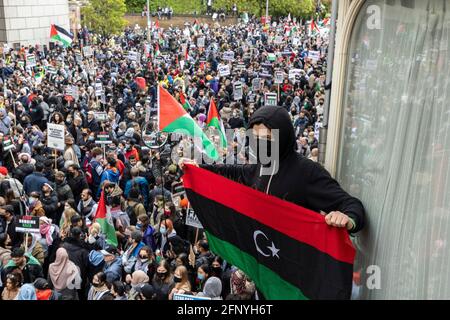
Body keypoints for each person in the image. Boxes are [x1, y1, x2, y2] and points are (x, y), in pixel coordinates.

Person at [181, 106, 365, 233]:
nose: (260, 143)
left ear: (283, 136)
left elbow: (351, 204)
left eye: (267, 137)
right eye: (255, 137)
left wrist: (348, 219)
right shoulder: (261, 166)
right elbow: (234, 172)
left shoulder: (307, 172)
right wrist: (199, 169)